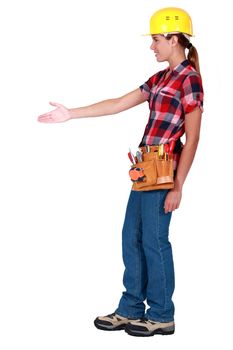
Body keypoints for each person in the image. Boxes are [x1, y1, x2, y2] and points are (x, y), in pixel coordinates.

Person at [38, 7, 204, 337]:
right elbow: (116, 103)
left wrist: (178, 186)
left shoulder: (190, 81)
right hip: (145, 168)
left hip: (164, 170)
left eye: (156, 40)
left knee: (154, 241)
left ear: (173, 40)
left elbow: (194, 135)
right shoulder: (160, 79)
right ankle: (131, 308)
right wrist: (71, 113)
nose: (152, 46)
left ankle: (161, 314)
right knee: (132, 237)